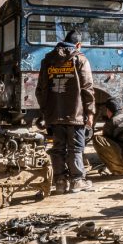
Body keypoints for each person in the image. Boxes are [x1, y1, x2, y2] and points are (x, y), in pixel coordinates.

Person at [36, 30, 95, 194]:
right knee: (76, 147)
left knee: (58, 147)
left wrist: (46, 110)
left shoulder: (47, 60)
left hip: (53, 113)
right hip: (75, 113)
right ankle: (77, 181)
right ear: (78, 45)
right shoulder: (80, 59)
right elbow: (87, 89)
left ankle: (60, 182)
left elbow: (40, 90)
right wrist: (90, 112)